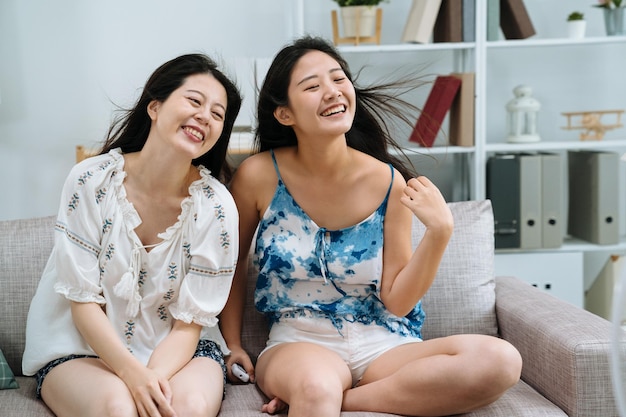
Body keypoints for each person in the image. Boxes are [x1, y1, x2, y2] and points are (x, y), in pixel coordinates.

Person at [220, 36, 522, 417]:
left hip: (383, 344)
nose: (332, 92)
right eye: (312, 86)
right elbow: (231, 264)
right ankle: (325, 395)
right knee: (316, 389)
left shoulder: (389, 182)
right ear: (285, 114)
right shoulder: (258, 176)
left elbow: (397, 301)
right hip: (299, 340)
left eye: (338, 79)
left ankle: (348, 400)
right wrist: (232, 342)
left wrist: (439, 232)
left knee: (501, 360)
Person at [22, 53, 242, 417]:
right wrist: (131, 375)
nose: (205, 115)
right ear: (154, 107)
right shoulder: (90, 181)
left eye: (218, 114)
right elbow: (83, 304)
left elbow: (189, 326)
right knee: (117, 409)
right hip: (84, 347)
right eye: (194, 100)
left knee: (183, 409)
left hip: (182, 351)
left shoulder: (217, 207)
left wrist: (150, 381)